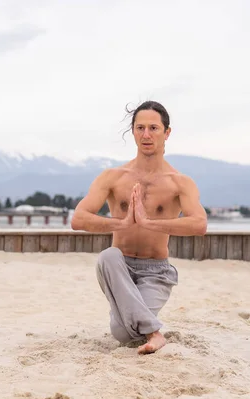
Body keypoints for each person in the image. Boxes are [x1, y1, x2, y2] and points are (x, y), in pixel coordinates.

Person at [70, 100, 208, 355]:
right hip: (119, 269)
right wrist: (121, 223)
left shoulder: (180, 182)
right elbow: (78, 219)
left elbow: (199, 224)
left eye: (154, 128)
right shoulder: (113, 177)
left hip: (155, 271)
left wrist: (149, 223)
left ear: (167, 133)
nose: (146, 135)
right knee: (108, 256)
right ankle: (155, 333)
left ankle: (143, 325)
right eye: (140, 128)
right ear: (132, 131)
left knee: (123, 334)